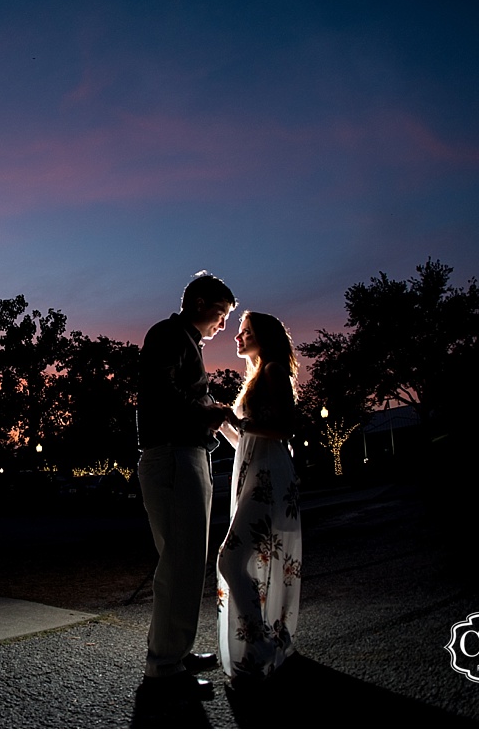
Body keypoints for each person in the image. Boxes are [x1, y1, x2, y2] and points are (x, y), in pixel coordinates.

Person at [136, 271, 236, 699]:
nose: (222, 324)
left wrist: (208, 411)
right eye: (220, 313)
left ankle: (174, 650)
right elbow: (163, 391)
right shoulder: (168, 335)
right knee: (180, 561)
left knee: (187, 559)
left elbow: (178, 394)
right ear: (199, 304)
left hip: (185, 453)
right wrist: (208, 412)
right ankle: (165, 667)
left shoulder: (182, 339)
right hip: (174, 456)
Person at [215, 311, 302, 691]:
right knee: (238, 558)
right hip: (254, 473)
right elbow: (247, 442)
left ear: (262, 337)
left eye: (245, 332)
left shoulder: (273, 371)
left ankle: (260, 640)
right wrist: (224, 423)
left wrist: (241, 425)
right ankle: (262, 638)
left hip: (269, 480)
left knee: (230, 558)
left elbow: (284, 428)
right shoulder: (255, 376)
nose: (237, 337)